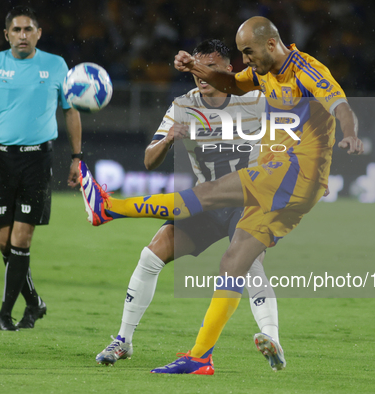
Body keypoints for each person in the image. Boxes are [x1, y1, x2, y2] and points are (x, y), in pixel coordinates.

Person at [79, 16, 363, 373]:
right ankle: (176, 352)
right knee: (183, 258)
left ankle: (109, 209)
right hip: (241, 198)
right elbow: (155, 155)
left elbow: (339, 104)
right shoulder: (189, 103)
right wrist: (173, 126)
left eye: (247, 53)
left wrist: (348, 134)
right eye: (242, 54)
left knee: (241, 250)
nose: (247, 61)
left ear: (266, 47)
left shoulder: (283, 82)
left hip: (272, 182)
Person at [95, 39, 282, 369]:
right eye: (197, 67)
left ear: (229, 69)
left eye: (209, 67)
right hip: (208, 201)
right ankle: (123, 340)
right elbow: (149, 160)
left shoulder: (256, 100)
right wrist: (168, 139)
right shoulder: (183, 106)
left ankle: (271, 338)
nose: (201, 75)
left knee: (248, 263)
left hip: (249, 202)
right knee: (151, 254)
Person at [0, 6, 82, 331]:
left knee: (22, 238)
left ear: (38, 33)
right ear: (6, 34)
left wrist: (77, 156)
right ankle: (35, 302)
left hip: (37, 160)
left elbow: (71, 111)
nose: (22, 35)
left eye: (28, 29)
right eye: (17, 30)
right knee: (2, 241)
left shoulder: (56, 65)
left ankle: (5, 314)